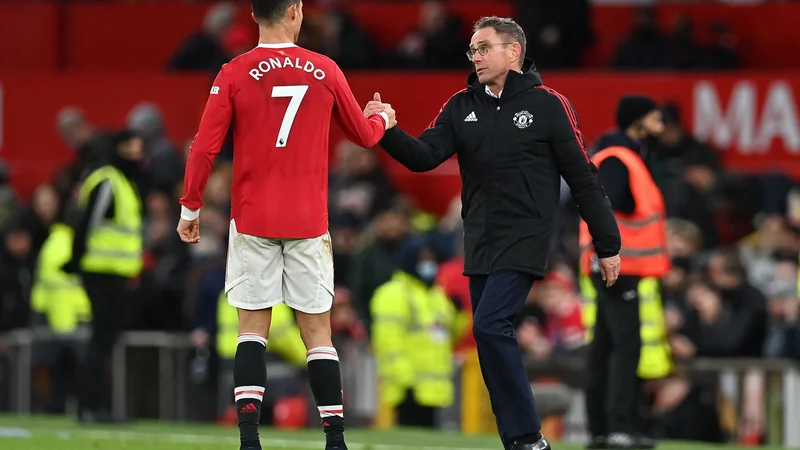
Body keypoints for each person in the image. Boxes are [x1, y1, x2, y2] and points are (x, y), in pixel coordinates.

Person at [366, 16, 621, 450]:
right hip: (480, 239)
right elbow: (425, 156)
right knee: (489, 340)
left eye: (484, 48)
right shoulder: (461, 105)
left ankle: (527, 436)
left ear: (513, 51)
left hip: (525, 237)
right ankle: (517, 441)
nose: (476, 57)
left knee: (489, 325)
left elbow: (583, 177)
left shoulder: (548, 104)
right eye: (472, 50)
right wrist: (387, 130)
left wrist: (607, 244)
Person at [176, 1, 394, 449]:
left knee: (252, 330)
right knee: (318, 333)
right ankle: (335, 440)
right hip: (308, 221)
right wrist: (382, 119)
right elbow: (364, 135)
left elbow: (203, 149)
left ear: (254, 15)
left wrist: (191, 210)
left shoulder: (234, 71)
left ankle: (250, 440)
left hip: (253, 218)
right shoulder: (325, 69)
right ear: (295, 11)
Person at [579, 95, 672, 449]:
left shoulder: (619, 156)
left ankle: (601, 430)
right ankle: (620, 428)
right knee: (625, 348)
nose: (660, 127)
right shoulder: (620, 159)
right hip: (619, 268)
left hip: (612, 266)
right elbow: (610, 205)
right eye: (655, 119)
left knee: (603, 347)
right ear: (637, 123)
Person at [63, 130, 145, 422]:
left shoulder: (122, 182)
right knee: (101, 339)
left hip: (116, 274)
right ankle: (89, 406)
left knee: (106, 340)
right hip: (100, 272)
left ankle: (94, 405)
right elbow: (86, 222)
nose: (136, 153)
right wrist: (76, 258)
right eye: (131, 147)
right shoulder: (109, 180)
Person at [370, 235, 468, 428]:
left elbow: (448, 335)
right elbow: (389, 344)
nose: (428, 264)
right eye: (423, 258)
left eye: (431, 259)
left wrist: (459, 314)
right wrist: (405, 382)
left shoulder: (435, 294)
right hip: (409, 390)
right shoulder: (394, 294)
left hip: (435, 391)